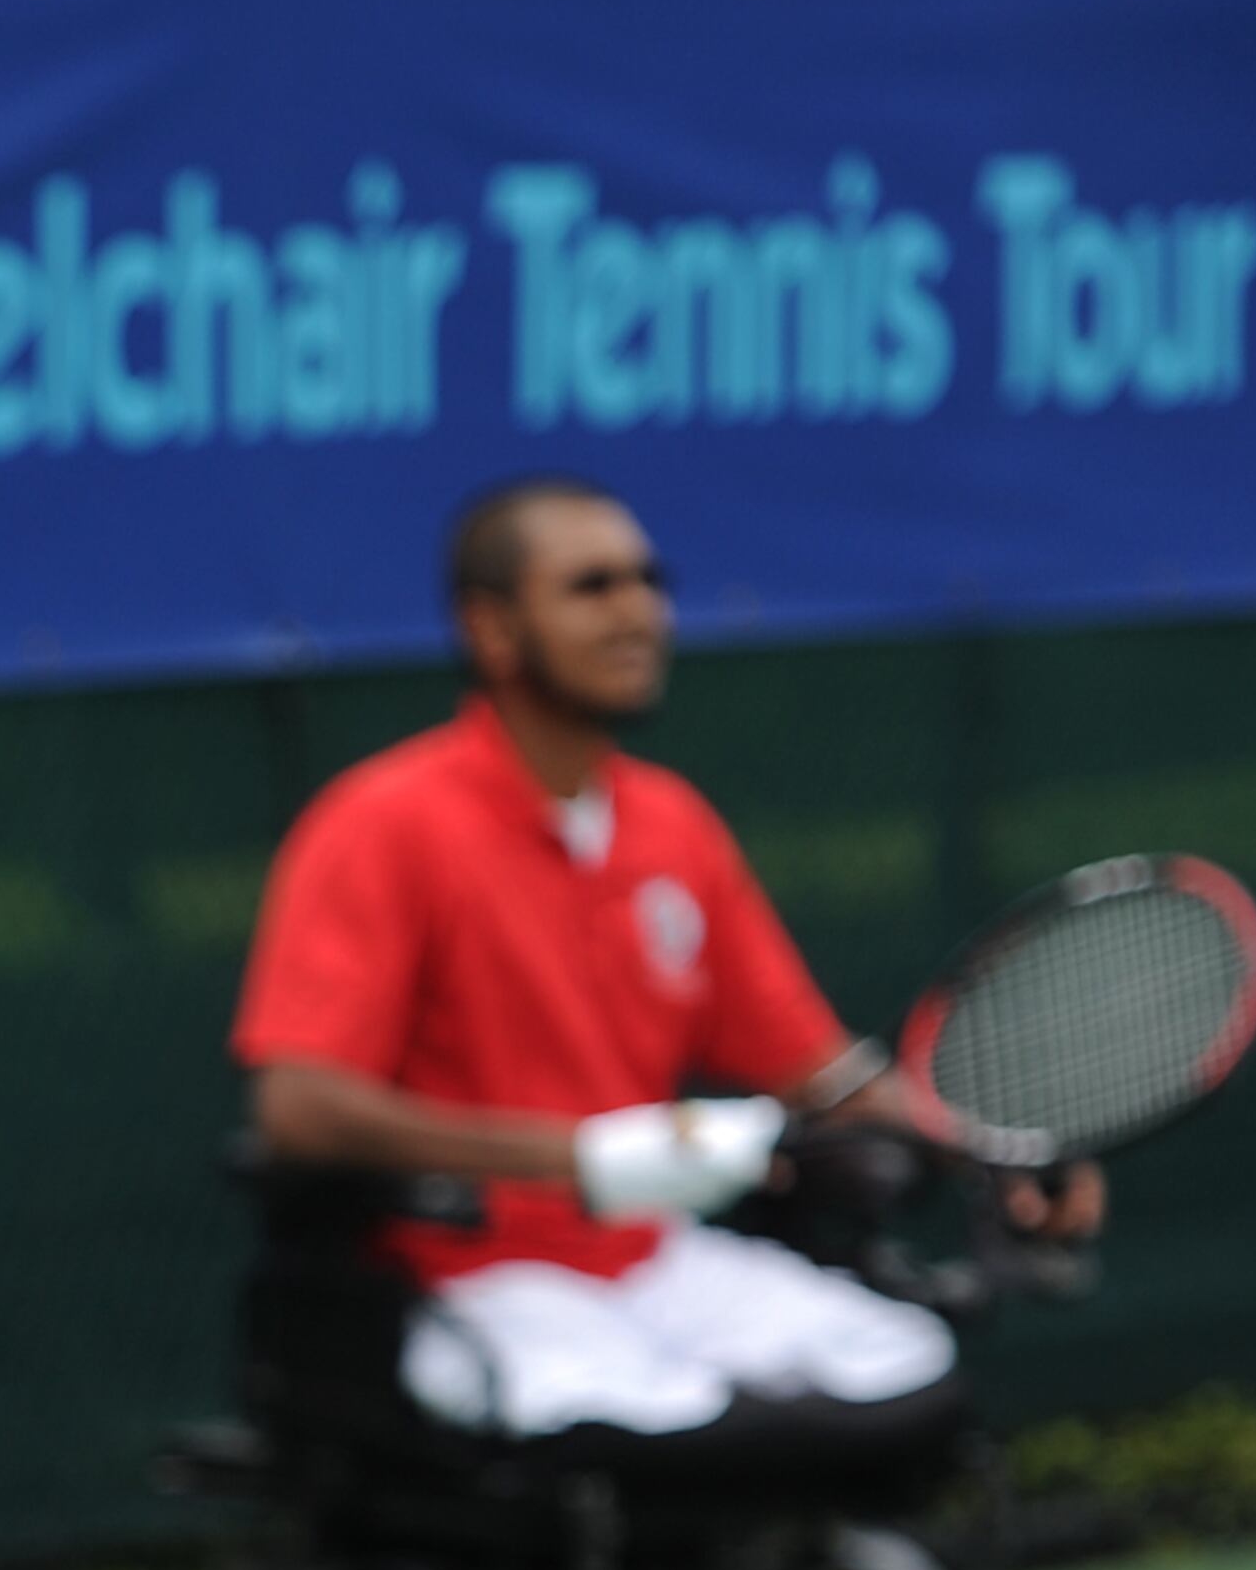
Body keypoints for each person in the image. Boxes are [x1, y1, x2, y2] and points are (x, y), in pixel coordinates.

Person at [231, 478, 1096, 1439]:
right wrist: (585, 1158)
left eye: (649, 581)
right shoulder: (382, 824)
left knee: (902, 1370)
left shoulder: (672, 825)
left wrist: (990, 1156)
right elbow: (299, 1110)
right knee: (661, 1425)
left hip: (654, 1263)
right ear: (492, 630)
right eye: (592, 587)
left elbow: (819, 1073)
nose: (640, 611)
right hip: (466, 1283)